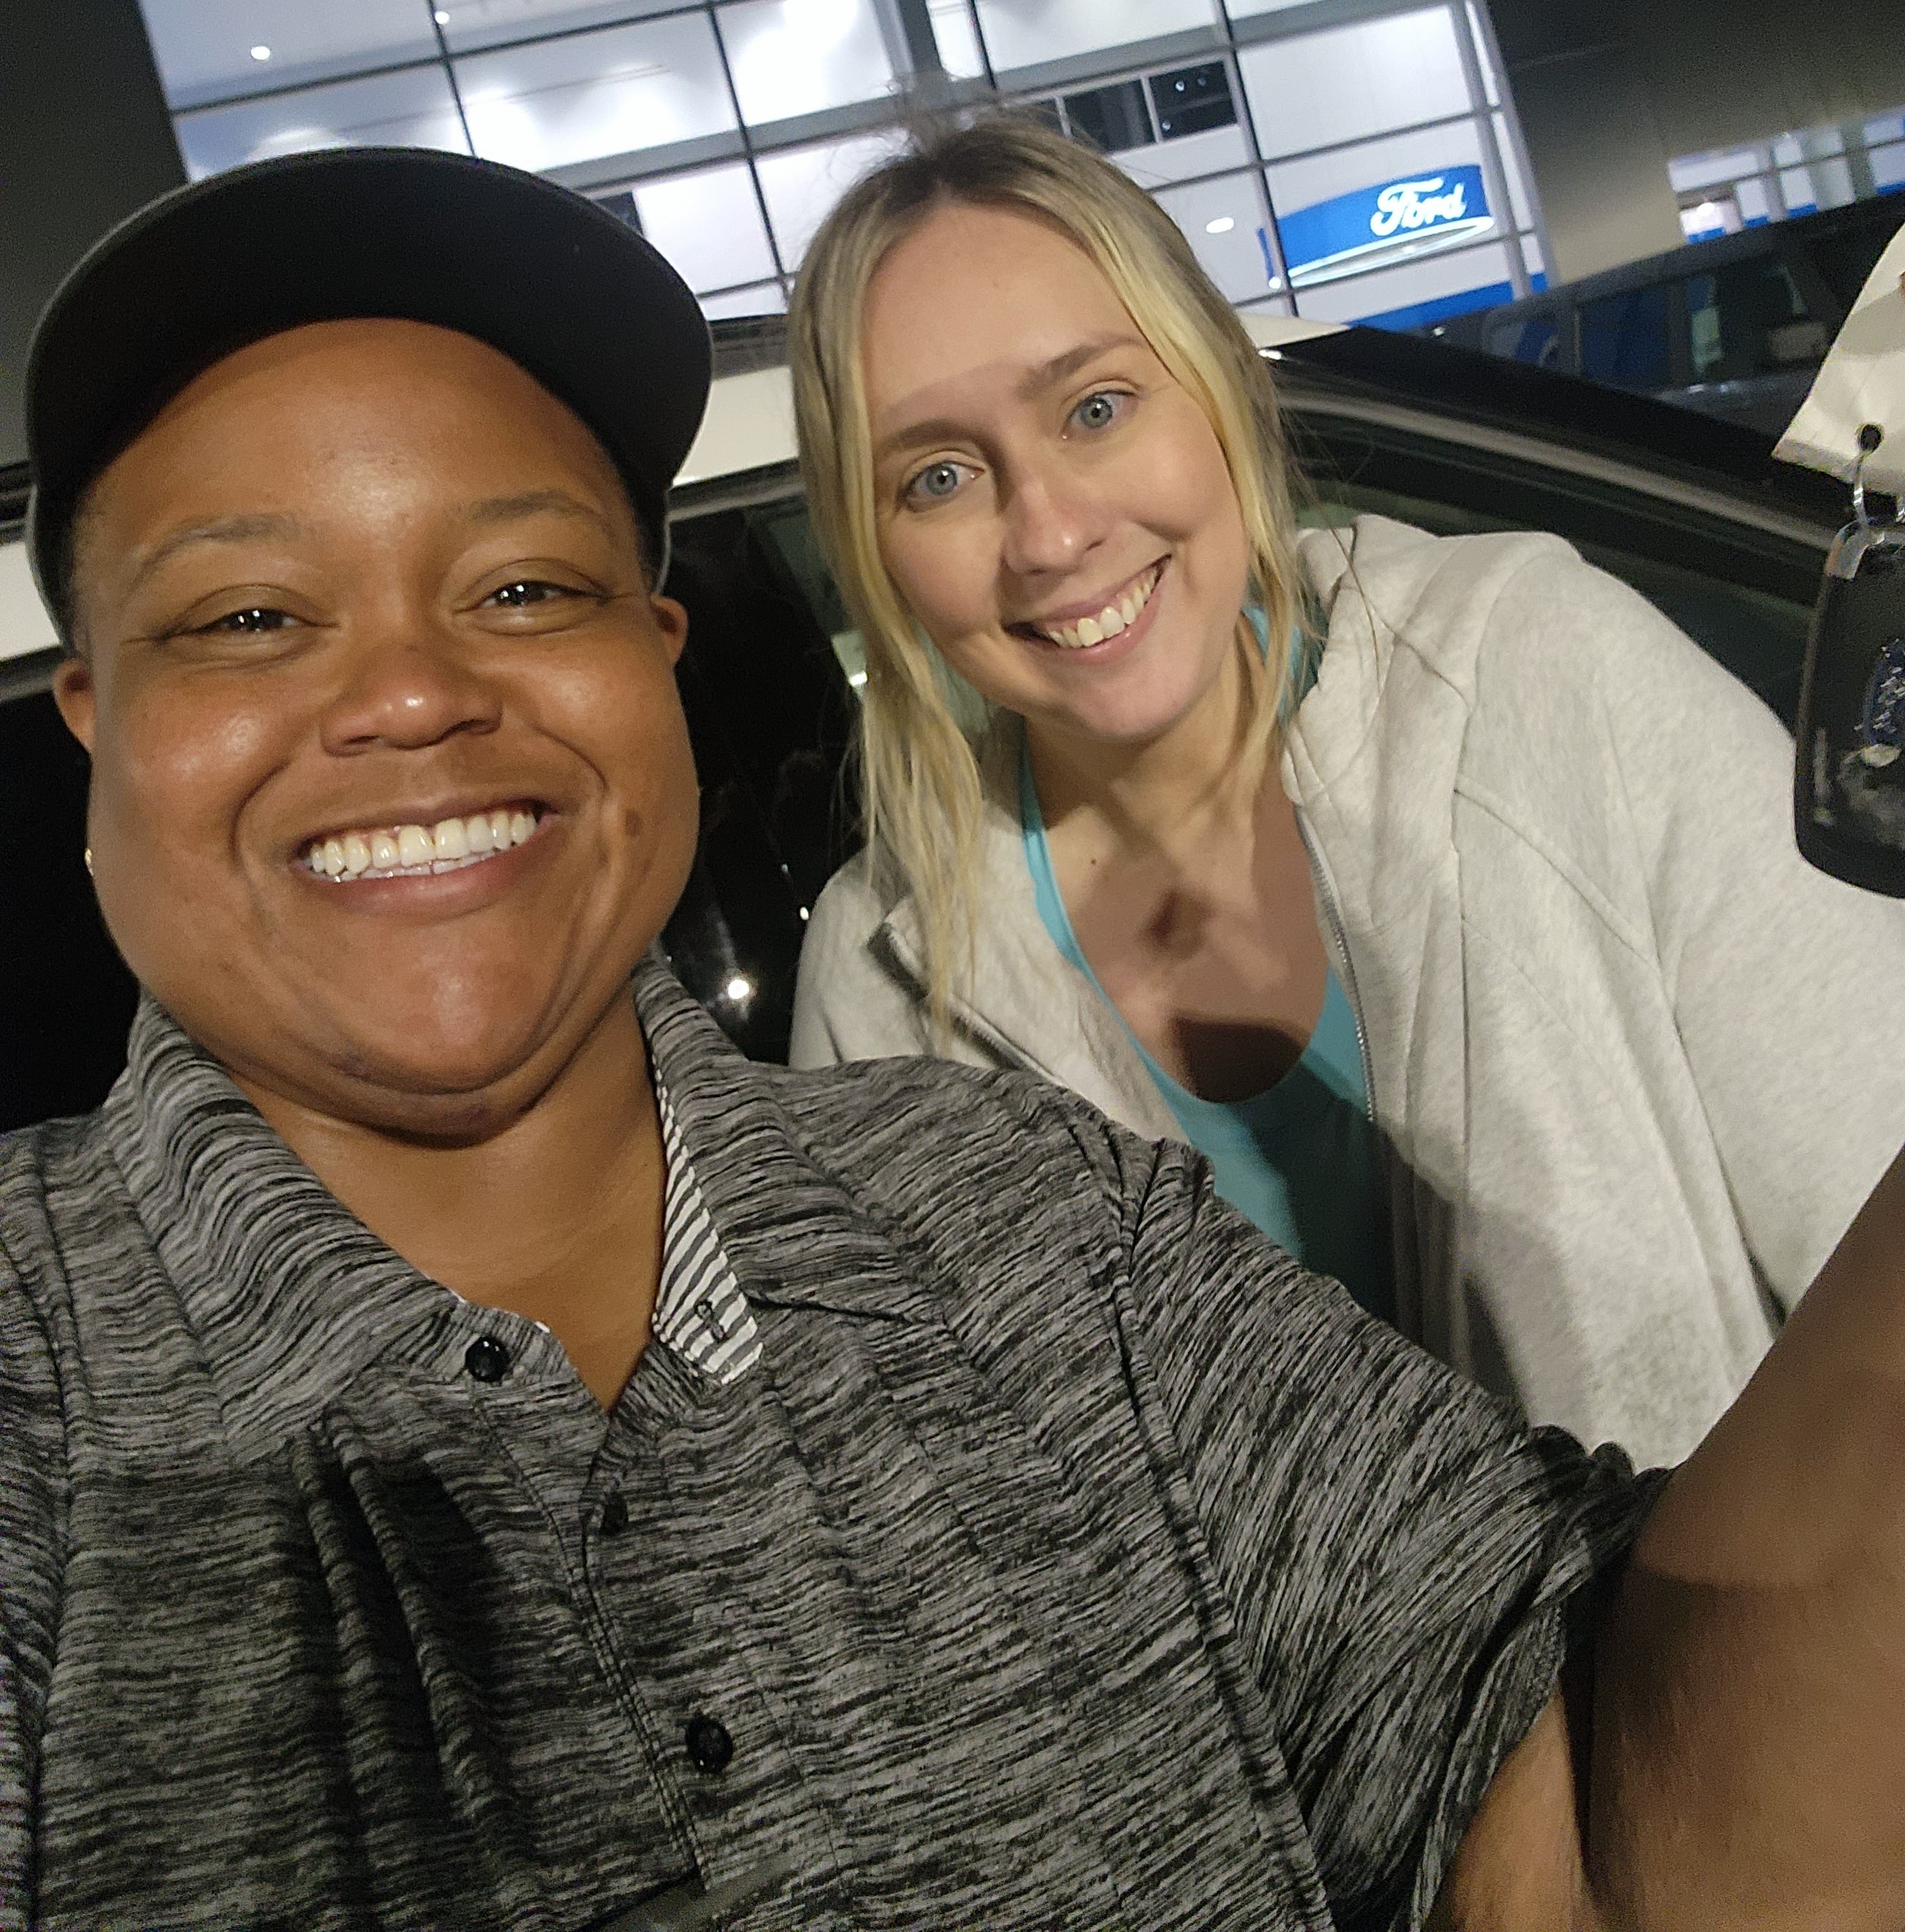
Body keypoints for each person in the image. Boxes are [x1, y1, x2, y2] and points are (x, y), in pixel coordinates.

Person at [4, 143, 1905, 1932]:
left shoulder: (1026, 1220)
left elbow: (1588, 1786)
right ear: (93, 719)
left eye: (523, 589)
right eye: (248, 617)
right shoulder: (897, 976)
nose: (413, 693)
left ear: (657, 656)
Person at [787, 114, 1905, 1464]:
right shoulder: (881, 978)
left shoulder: (1536, 673)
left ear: (1218, 383)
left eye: (1096, 407)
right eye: (939, 477)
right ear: (875, 552)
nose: (1051, 534)